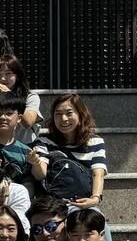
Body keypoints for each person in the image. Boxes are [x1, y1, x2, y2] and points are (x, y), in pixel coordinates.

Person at [29, 92, 110, 223]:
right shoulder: (44, 141)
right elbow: (40, 174)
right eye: (58, 114)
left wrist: (95, 199)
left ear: (80, 115)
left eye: (69, 113)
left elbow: (98, 174)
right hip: (52, 203)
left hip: (83, 202)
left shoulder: (95, 142)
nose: (63, 119)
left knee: (96, 223)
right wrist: (36, 162)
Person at [0, 54, 40, 142]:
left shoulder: (30, 97)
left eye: (8, 73)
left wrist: (9, 94)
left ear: (17, 76)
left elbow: (28, 122)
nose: (2, 78)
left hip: (24, 148)